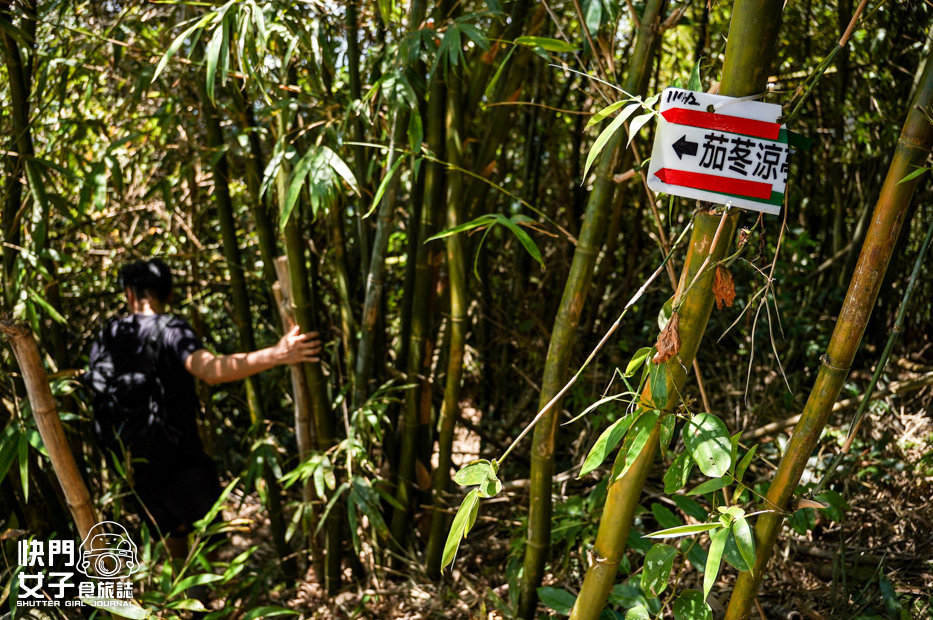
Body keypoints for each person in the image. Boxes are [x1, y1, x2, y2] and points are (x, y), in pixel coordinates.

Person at [87, 258, 321, 557]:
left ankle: (180, 600)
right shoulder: (172, 330)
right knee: (208, 542)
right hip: (180, 458)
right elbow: (210, 370)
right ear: (169, 295)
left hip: (133, 460)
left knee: (170, 534)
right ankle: (204, 600)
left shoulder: (110, 332)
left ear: (130, 294)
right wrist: (277, 354)